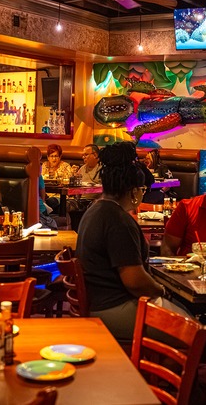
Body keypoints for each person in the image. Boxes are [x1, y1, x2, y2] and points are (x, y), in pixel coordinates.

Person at [76, 141, 188, 341]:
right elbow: (135, 281)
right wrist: (161, 290)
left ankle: (151, 368)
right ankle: (151, 372)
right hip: (113, 308)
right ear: (133, 190)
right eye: (142, 189)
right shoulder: (118, 221)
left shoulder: (95, 209)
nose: (142, 193)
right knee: (193, 334)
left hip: (97, 302)